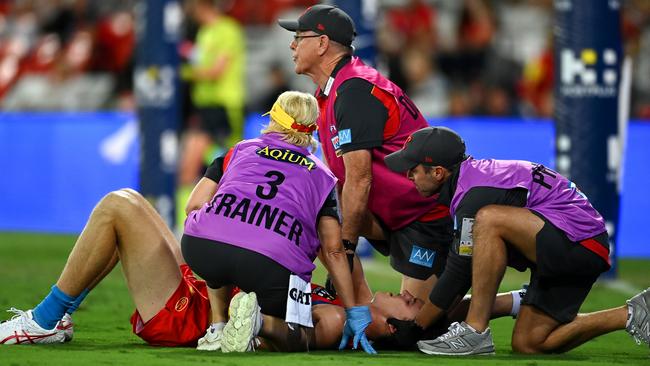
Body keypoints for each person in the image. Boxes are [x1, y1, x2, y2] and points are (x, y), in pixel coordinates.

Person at [0, 188, 438, 348]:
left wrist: (254, 321)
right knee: (132, 203)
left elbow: (295, 336)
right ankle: (54, 320)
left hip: (190, 316)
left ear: (390, 328)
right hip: (202, 288)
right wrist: (510, 301)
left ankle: (43, 321)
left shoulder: (340, 319)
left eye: (408, 306)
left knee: (118, 208)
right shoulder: (354, 302)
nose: (409, 295)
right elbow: (340, 245)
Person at [383, 126, 650, 355]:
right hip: (569, 245)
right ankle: (632, 313)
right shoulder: (470, 185)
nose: (408, 175)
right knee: (530, 342)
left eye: (413, 169)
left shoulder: (473, 195)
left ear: (438, 172)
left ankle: (475, 331)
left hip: (580, 243)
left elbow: (460, 270)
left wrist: (418, 326)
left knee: (488, 220)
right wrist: (430, 320)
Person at [277, 5, 453, 327]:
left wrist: (343, 250)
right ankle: (354, 304)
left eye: (298, 37)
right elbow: (342, 179)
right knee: (316, 213)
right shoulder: (331, 91)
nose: (292, 45)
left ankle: (511, 303)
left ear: (322, 44)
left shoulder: (353, 90)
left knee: (415, 327)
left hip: (423, 214)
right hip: (394, 212)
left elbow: (360, 180)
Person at [180, 90, 375, 354]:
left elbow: (193, 206)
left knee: (219, 233)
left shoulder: (238, 150)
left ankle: (218, 327)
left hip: (201, 248)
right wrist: (353, 311)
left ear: (273, 118)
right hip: (271, 266)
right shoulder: (322, 176)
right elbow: (333, 250)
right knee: (301, 336)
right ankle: (261, 323)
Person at [178, 0, 246, 229]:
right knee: (192, 168)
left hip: (224, 106)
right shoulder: (204, 32)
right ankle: (186, 226)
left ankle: (224, 225)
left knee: (228, 171)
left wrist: (180, 73)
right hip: (204, 107)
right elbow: (202, 64)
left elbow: (217, 71)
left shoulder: (228, 29)